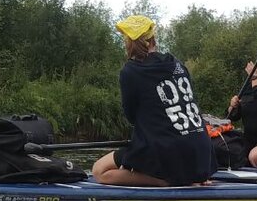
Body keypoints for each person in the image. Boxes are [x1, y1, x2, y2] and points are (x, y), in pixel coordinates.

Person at [93, 15, 216, 186]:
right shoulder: (177, 64)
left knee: (99, 171)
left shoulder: (130, 71)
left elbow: (131, 117)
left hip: (167, 152)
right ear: (153, 39)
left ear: (128, 42)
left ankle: (162, 182)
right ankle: (187, 176)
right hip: (202, 152)